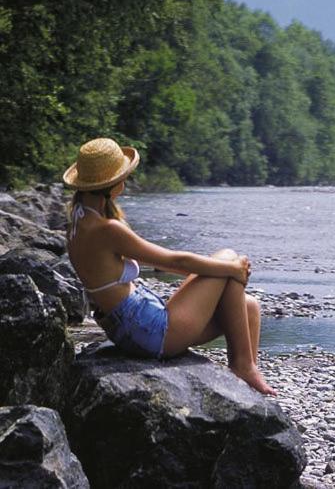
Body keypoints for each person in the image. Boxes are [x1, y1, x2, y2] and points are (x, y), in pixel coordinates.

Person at [62, 137, 276, 395]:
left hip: (128, 330)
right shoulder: (107, 229)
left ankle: (245, 376)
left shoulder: (77, 223)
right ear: (112, 185)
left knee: (249, 307)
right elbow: (174, 262)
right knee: (228, 257)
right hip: (150, 331)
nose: (126, 181)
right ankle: (242, 366)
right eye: (124, 176)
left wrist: (225, 274)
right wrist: (232, 270)